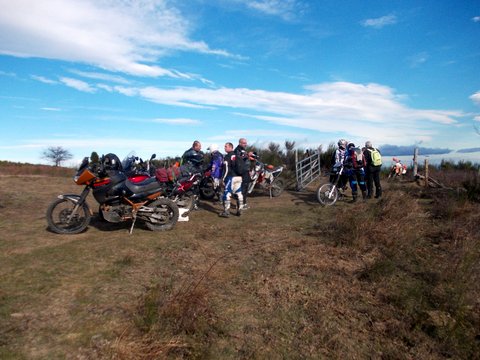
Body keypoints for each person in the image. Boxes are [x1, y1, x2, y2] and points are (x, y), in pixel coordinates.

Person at [219, 142, 243, 217]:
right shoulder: (237, 155)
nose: (224, 148)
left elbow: (226, 169)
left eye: (226, 146)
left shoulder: (227, 156)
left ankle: (226, 211)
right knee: (238, 193)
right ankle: (240, 210)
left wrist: (222, 178)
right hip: (239, 177)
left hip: (231, 177)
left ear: (230, 147)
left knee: (227, 193)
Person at [234, 138, 252, 209]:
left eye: (246, 143)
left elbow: (246, 160)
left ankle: (243, 203)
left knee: (245, 188)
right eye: (244, 143)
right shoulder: (237, 150)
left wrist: (249, 170)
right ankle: (240, 204)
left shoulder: (243, 150)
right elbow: (239, 158)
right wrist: (247, 155)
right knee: (242, 188)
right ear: (240, 143)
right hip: (241, 172)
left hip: (246, 171)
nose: (246, 144)